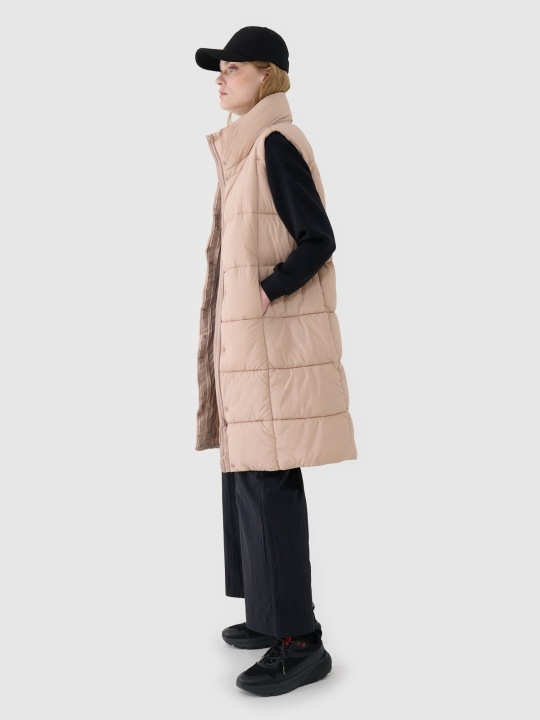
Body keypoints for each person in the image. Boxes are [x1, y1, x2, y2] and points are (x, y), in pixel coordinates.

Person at [194, 26, 357, 696]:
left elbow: (317, 238)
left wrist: (267, 289)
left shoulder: (275, 144)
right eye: (220, 69)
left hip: (272, 352)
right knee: (246, 480)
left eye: (233, 68)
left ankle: (300, 641)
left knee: (268, 485)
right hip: (250, 350)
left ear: (267, 76)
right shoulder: (245, 149)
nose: (220, 78)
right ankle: (268, 615)